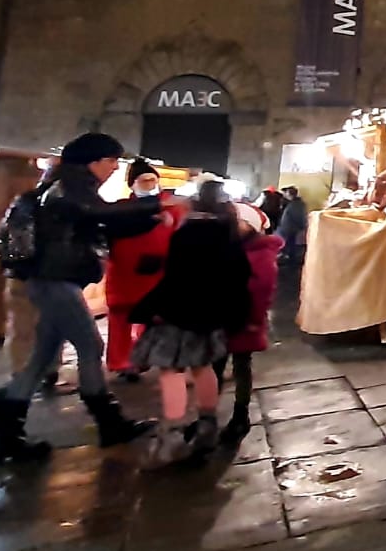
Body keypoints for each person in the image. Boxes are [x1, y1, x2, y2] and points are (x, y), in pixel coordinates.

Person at [0, 133, 159, 466]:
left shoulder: (63, 185)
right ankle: (109, 422)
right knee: (91, 346)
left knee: (41, 358)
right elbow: (94, 213)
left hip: (52, 281)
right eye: (112, 161)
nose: (115, 168)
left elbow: (99, 224)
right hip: (54, 282)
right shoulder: (71, 186)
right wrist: (156, 204)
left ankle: (4, 439)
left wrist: (150, 217)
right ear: (94, 160)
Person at [129, 182, 252, 465]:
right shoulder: (229, 231)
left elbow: (176, 277)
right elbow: (239, 274)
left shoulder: (188, 232)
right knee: (202, 366)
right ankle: (207, 426)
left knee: (171, 370)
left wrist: (154, 308)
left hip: (180, 312)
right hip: (212, 314)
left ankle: (172, 433)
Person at [104, 161, 188, 380]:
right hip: (124, 272)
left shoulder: (172, 209)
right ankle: (121, 362)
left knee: (153, 318)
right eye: (144, 181)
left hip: (160, 272)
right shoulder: (121, 208)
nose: (149, 184)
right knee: (121, 318)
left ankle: (142, 357)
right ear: (132, 184)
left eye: (153, 180)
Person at [215, 203, 283, 447]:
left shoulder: (261, 253)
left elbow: (262, 291)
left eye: (239, 222)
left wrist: (254, 321)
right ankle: (208, 414)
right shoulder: (232, 246)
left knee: (241, 367)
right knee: (215, 367)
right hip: (224, 317)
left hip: (245, 320)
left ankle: (240, 415)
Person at [275, 186, 308, 264]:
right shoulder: (295, 203)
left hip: (290, 228)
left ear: (289, 194)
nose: (285, 195)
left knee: (289, 244)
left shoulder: (295, 204)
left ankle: (290, 260)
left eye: (286, 193)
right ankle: (290, 258)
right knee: (290, 243)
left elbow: (298, 217)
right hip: (290, 228)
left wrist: (302, 226)